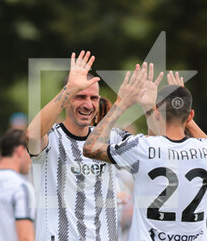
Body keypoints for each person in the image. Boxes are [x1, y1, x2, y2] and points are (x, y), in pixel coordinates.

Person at [83, 68, 207, 241]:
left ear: (157, 113)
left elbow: (91, 148)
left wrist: (120, 104)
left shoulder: (141, 146)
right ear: (190, 115)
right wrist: (184, 111)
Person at [27, 51, 140, 241]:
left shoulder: (111, 138)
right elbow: (32, 134)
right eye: (80, 96)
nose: (88, 105)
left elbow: (155, 152)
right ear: (67, 99)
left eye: (93, 98)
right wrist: (69, 88)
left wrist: (149, 107)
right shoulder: (52, 138)